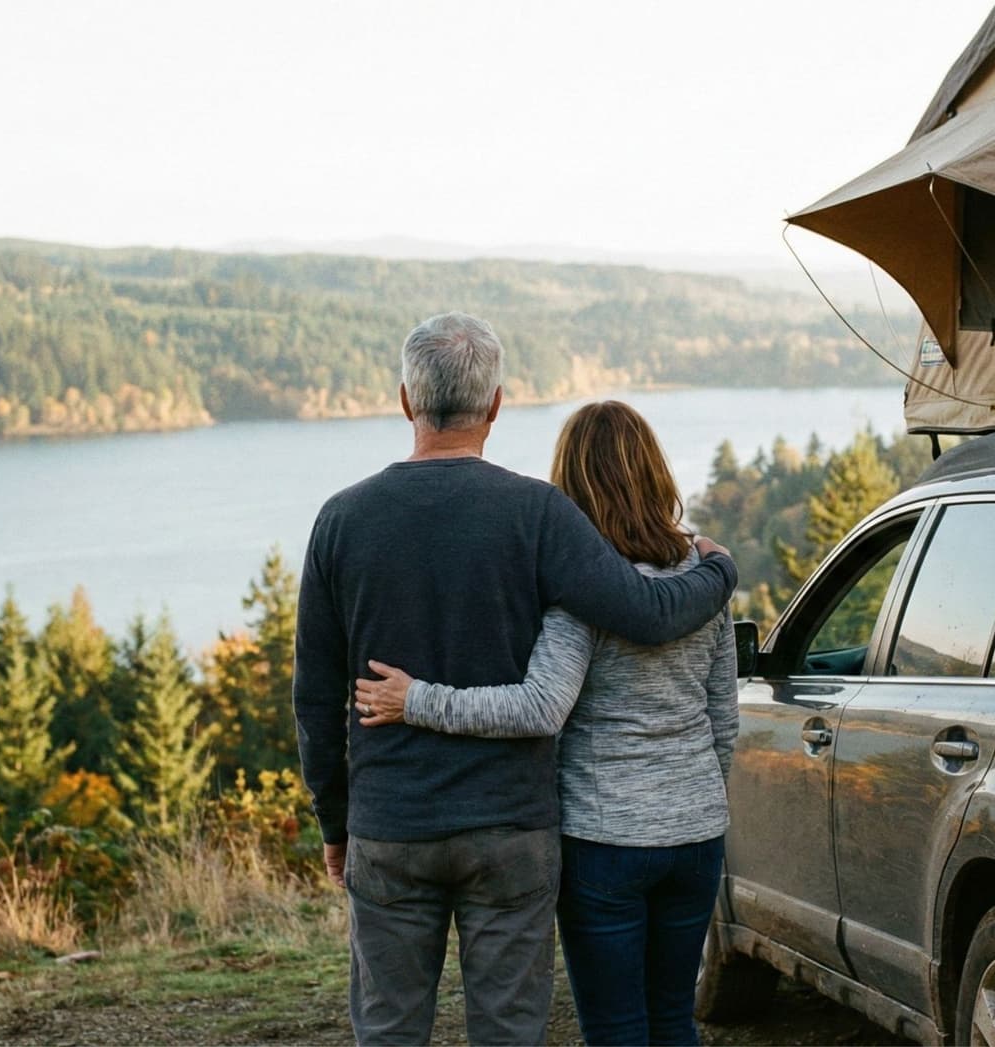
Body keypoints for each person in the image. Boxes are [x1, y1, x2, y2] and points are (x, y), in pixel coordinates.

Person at [292, 314, 737, 1047]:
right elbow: (649, 612)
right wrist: (719, 567)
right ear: (496, 405)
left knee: (389, 1030)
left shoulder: (341, 519)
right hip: (513, 828)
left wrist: (334, 822)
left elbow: (314, 698)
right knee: (511, 1032)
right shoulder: (538, 512)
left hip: (391, 820)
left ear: (405, 399)